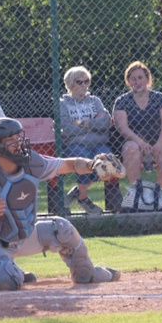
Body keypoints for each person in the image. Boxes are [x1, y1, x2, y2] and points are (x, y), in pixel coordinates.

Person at [0, 118, 120, 295]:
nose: (18, 143)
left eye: (18, 138)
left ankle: (87, 271)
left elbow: (67, 164)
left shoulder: (32, 164)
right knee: (7, 279)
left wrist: (92, 164)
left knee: (61, 228)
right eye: (11, 140)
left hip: (21, 236)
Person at [113, 61, 162, 211]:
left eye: (140, 77)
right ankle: (137, 194)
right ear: (128, 81)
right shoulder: (122, 101)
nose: (137, 82)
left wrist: (159, 143)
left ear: (148, 79)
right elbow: (122, 127)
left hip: (157, 143)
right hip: (134, 144)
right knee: (131, 147)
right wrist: (140, 142)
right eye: (133, 78)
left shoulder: (159, 98)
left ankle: (158, 196)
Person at [59, 66, 113, 215]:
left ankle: (79, 192)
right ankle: (83, 198)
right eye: (79, 82)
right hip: (75, 144)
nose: (84, 85)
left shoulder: (95, 101)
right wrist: (93, 123)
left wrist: (82, 123)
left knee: (107, 161)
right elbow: (66, 129)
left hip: (98, 142)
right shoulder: (63, 103)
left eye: (86, 81)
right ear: (70, 84)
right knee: (84, 159)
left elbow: (106, 122)